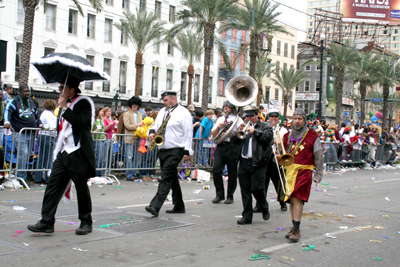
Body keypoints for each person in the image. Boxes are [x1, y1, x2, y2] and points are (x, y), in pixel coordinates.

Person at [27, 76, 95, 235]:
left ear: (72, 89)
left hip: (78, 152)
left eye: (62, 87)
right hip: (65, 152)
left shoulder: (83, 102)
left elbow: (81, 122)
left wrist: (65, 108)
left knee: (81, 188)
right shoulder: (64, 105)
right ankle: (46, 221)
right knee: (53, 185)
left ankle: (86, 222)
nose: (59, 90)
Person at [145, 90, 193, 216]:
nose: (164, 103)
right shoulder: (162, 111)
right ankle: (179, 205)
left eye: (166, 100)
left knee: (165, 177)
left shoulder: (184, 112)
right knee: (171, 178)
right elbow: (155, 125)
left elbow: (188, 133)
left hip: (176, 149)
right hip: (163, 149)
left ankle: (155, 206)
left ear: (173, 99)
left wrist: (188, 150)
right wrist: (151, 132)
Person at [282, 108, 323, 242]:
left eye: (300, 119)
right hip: (289, 171)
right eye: (295, 119)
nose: (297, 121)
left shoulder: (312, 136)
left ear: (304, 121)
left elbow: (319, 156)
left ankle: (297, 229)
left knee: (298, 198)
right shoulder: (286, 136)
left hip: (304, 170)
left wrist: (318, 174)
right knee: (291, 200)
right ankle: (294, 226)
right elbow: (282, 154)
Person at [231, 105, 274, 224]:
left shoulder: (265, 126)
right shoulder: (244, 126)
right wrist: (237, 132)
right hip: (244, 161)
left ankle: (263, 206)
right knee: (245, 190)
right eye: (246, 116)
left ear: (257, 115)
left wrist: (255, 131)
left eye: (251, 116)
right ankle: (247, 216)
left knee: (257, 189)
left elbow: (268, 138)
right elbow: (234, 141)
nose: (248, 118)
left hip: (258, 162)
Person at [4, 85, 42, 181]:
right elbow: (7, 111)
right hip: (20, 133)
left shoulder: (31, 103)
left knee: (27, 154)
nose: (28, 93)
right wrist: (7, 122)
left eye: (28, 91)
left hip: (31, 134)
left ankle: (22, 175)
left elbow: (36, 116)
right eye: (25, 91)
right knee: (23, 153)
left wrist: (41, 124)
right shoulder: (14, 102)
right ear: (20, 93)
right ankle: (21, 177)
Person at [254, 108, 287, 213]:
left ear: (279, 118)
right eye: (272, 117)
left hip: (275, 159)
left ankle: (283, 203)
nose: (274, 118)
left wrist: (279, 147)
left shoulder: (283, 130)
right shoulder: (264, 127)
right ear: (269, 118)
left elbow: (284, 145)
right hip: (264, 158)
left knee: (278, 183)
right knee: (262, 184)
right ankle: (260, 205)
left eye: (276, 117)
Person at [210, 101, 243, 204]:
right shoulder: (220, 119)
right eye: (225, 107)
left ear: (232, 108)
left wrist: (232, 133)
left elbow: (240, 134)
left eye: (228, 107)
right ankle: (219, 194)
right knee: (216, 169)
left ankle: (230, 195)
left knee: (232, 171)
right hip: (220, 146)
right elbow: (213, 134)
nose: (226, 109)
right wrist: (219, 127)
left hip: (231, 146)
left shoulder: (237, 119)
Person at [34, 99, 57, 183]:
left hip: (42, 135)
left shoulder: (44, 113)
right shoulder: (50, 115)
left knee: (41, 157)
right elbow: (51, 126)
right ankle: (48, 178)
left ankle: (38, 177)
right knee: (48, 158)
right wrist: (57, 126)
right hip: (48, 136)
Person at [124, 96, 146, 181]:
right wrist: (137, 125)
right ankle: (129, 175)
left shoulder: (140, 114)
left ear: (138, 105)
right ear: (130, 105)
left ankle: (134, 173)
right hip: (129, 137)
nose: (134, 106)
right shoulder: (126, 114)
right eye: (133, 104)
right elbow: (127, 126)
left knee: (138, 157)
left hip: (138, 138)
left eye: (136, 104)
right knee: (129, 157)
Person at [92, 107, 106, 177]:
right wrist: (94, 131)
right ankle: (96, 173)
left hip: (103, 138)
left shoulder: (102, 120)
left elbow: (103, 128)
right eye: (101, 111)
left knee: (103, 157)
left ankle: (101, 172)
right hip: (96, 139)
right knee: (98, 157)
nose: (102, 113)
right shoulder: (93, 120)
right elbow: (90, 130)